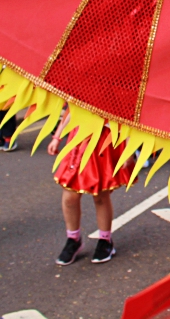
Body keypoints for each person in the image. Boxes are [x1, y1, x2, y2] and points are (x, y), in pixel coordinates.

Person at [47, 106, 133, 265]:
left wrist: (129, 148)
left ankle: (105, 240)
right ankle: (73, 239)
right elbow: (72, 108)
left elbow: (128, 115)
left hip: (104, 139)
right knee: (69, 196)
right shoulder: (82, 82)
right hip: (79, 138)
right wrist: (57, 136)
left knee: (100, 195)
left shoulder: (119, 83)